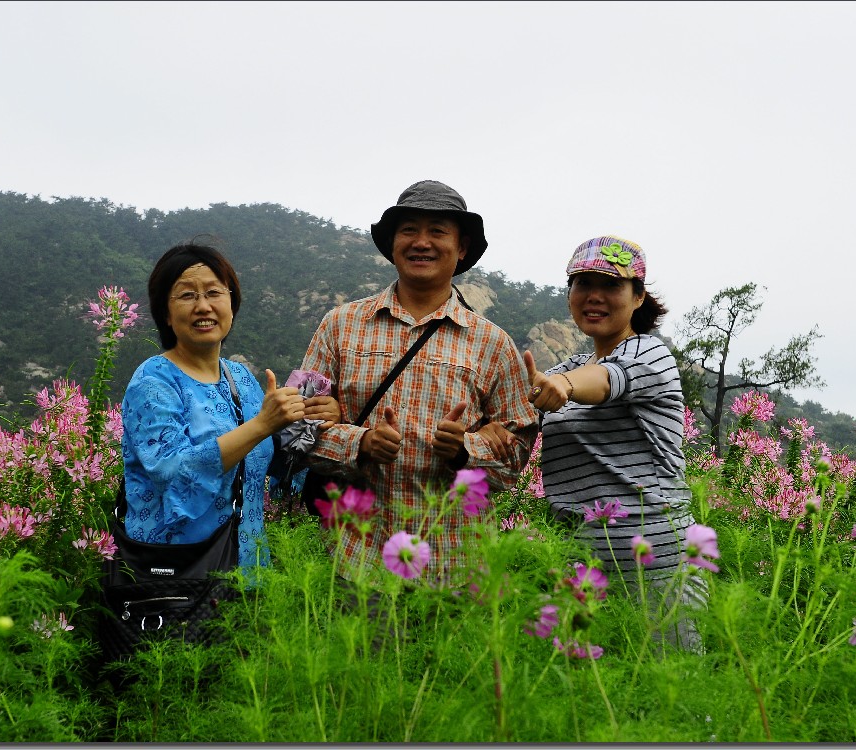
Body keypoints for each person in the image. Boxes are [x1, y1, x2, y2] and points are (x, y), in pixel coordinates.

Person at [299, 180, 540, 581]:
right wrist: (360, 444)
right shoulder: (339, 325)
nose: (421, 242)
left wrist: (465, 450)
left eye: (438, 231)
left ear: (461, 248)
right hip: (358, 561)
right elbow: (295, 430)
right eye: (409, 229)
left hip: (455, 566)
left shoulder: (493, 344)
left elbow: (516, 454)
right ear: (393, 243)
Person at [483, 235, 706, 651]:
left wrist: (563, 387)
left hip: (654, 563)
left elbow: (605, 381)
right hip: (576, 561)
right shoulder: (564, 368)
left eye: (611, 286)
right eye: (583, 284)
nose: (594, 296)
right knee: (581, 694)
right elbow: (508, 424)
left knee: (669, 692)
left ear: (638, 297)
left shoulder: (649, 354)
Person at [120, 242, 339, 575]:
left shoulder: (239, 378)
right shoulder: (154, 381)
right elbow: (171, 472)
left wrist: (314, 421)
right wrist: (262, 425)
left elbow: (270, 465)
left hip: (246, 567)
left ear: (231, 303)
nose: (203, 306)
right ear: (165, 312)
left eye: (214, 293)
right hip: (177, 573)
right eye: (187, 295)